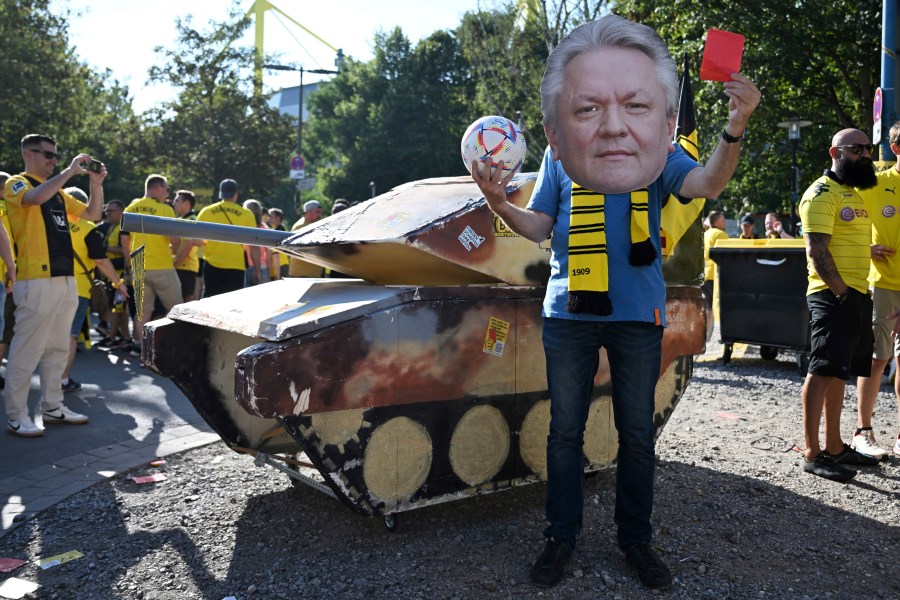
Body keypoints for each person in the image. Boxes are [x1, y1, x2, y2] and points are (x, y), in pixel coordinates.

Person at [469, 14, 759, 590]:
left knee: (637, 434)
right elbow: (538, 227)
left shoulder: (656, 153)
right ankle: (561, 538)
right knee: (564, 433)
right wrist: (497, 203)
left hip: (636, 313)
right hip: (569, 311)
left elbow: (706, 186)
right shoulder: (561, 156)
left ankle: (636, 540)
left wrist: (735, 127)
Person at [4, 134, 105, 437]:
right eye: (47, 154)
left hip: (65, 278)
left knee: (58, 348)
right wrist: (70, 172)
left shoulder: (59, 192)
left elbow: (92, 214)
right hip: (35, 279)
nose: (52, 160)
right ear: (28, 154)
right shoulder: (17, 183)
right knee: (26, 350)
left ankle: (52, 406)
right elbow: (34, 198)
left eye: (55, 156)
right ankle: (16, 414)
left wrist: (96, 185)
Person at [798, 129, 881, 482]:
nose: (866, 155)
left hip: (855, 294)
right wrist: (842, 293)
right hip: (833, 295)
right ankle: (812, 453)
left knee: (838, 371)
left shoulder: (854, 194)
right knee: (821, 370)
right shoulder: (820, 193)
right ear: (835, 152)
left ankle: (834, 447)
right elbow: (817, 251)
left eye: (869, 149)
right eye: (858, 149)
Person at [853, 120, 900, 459]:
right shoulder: (875, 183)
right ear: (896, 148)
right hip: (883, 285)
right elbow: (844, 220)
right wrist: (863, 248)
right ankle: (863, 430)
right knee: (877, 358)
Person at [61, 187, 127, 391]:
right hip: (77, 288)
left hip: (47, 283)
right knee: (69, 336)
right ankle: (62, 380)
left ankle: (45, 379)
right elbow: (100, 260)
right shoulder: (88, 227)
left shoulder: (50, 224)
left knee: (49, 335)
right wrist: (118, 283)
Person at [120, 175, 184, 356]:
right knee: (177, 310)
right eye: (166, 189)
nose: (167, 194)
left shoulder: (130, 208)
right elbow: (175, 239)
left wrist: (131, 264)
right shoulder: (164, 209)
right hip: (162, 265)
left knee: (143, 313)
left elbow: (124, 242)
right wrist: (174, 252)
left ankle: (144, 351)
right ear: (157, 188)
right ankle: (173, 350)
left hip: (139, 268)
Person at [196, 179, 259, 296]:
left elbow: (197, 241)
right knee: (232, 304)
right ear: (236, 194)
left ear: (221, 194)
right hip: (236, 266)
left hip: (212, 264)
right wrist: (257, 270)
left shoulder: (206, 211)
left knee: (210, 301)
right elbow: (254, 245)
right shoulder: (246, 214)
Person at [0, 172, 17, 390]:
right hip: (4, 277)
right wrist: (11, 268)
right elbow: (4, 238)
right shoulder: (6, 209)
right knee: (4, 327)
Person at [172, 189, 201, 301]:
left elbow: (188, 245)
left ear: (187, 203)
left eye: (177, 200)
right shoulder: (181, 220)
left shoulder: (192, 220)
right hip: (180, 265)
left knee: (187, 299)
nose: (174, 203)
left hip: (186, 266)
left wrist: (175, 265)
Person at [288, 199, 326, 277]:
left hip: (314, 274)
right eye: (317, 212)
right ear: (309, 212)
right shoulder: (299, 227)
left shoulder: (318, 224)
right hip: (300, 274)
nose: (320, 215)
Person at [702, 210, 729, 311]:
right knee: (715, 308)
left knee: (708, 307)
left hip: (704, 274)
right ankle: (713, 327)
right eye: (723, 220)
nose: (725, 222)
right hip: (715, 275)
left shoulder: (705, 234)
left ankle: (706, 327)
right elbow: (726, 255)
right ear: (716, 222)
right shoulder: (721, 234)